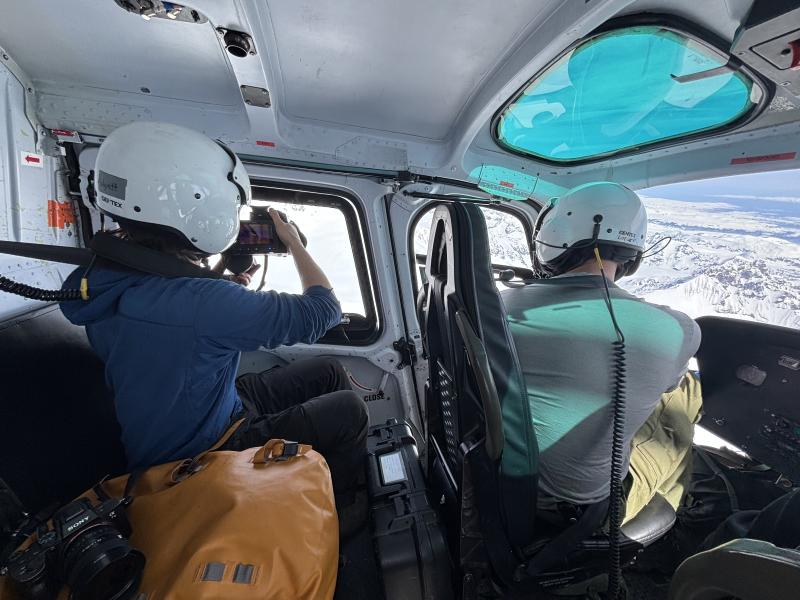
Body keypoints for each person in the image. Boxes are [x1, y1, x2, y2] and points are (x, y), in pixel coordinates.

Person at [59, 122, 368, 522]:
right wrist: (291, 242)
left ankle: (307, 480)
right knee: (349, 411)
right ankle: (336, 520)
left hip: (205, 411)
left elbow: (175, 320)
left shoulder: (102, 281)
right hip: (202, 453)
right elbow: (321, 310)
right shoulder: (202, 303)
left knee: (327, 370)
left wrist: (222, 281)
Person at [501, 181, 702, 523]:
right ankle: (677, 508)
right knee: (685, 395)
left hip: (505, 478)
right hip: (586, 508)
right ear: (632, 254)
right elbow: (666, 389)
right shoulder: (678, 330)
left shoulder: (500, 306)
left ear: (551, 238)